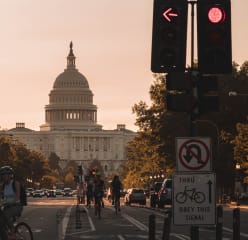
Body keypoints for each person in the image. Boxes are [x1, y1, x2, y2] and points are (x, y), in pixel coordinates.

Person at [0, 165, 23, 239]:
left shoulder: (15, 183)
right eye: (2, 175)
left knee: (5, 214)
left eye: (5, 175)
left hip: (16, 206)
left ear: (10, 175)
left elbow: (17, 196)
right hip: (7, 207)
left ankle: (13, 230)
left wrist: (11, 202)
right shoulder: (2, 185)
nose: (4, 177)